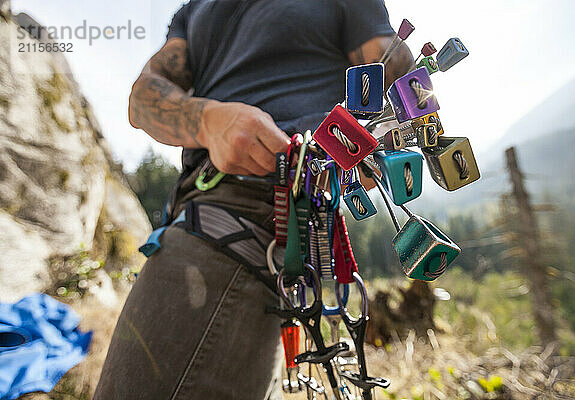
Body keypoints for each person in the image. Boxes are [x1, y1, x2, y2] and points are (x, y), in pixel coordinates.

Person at [93, 1, 414, 399]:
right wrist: (209, 121)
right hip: (210, 218)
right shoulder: (194, 10)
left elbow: (399, 77)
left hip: (254, 219)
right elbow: (142, 100)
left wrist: (374, 143)